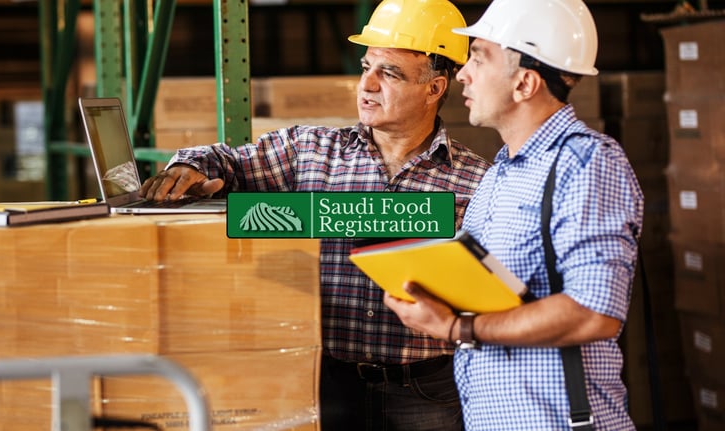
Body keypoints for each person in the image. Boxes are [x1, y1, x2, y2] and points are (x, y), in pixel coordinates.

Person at [139, 1, 490, 429]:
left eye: (389, 73)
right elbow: (224, 161)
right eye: (366, 67)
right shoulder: (310, 151)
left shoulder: (478, 181)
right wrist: (188, 168)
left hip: (425, 388)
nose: (367, 85)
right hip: (324, 382)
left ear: (434, 88)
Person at [383, 0, 644, 429]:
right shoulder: (500, 173)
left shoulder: (586, 163)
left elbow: (594, 312)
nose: (462, 73)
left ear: (524, 83)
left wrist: (457, 328)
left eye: (480, 58)